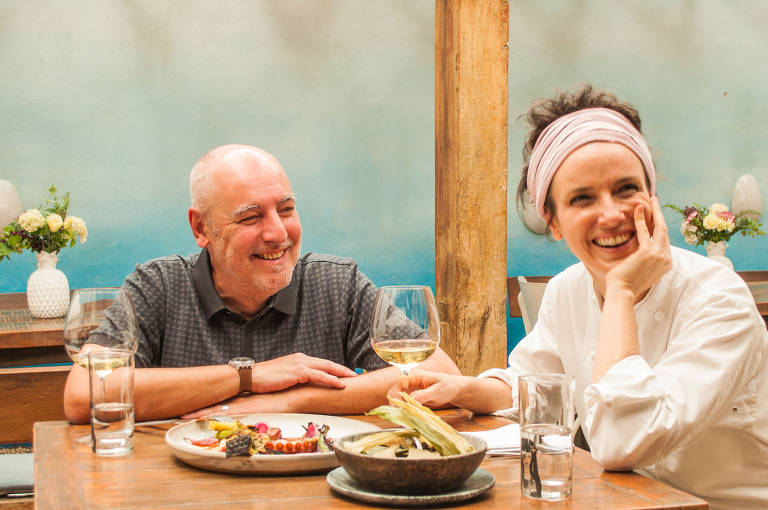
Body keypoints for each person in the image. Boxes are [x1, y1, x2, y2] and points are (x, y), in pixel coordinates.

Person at [393, 86, 768, 509]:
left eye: (626, 189)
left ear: (652, 197)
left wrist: (622, 292)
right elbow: (536, 383)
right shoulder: (568, 289)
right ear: (553, 221)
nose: (610, 214)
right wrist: (467, 389)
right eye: (582, 198)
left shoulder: (717, 298)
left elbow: (623, 441)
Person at [63, 144, 460, 423]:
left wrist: (294, 401)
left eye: (286, 210)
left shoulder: (336, 282)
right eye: (251, 217)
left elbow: (440, 374)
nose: (277, 234)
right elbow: (84, 394)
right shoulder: (158, 285)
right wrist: (248, 375)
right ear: (201, 228)